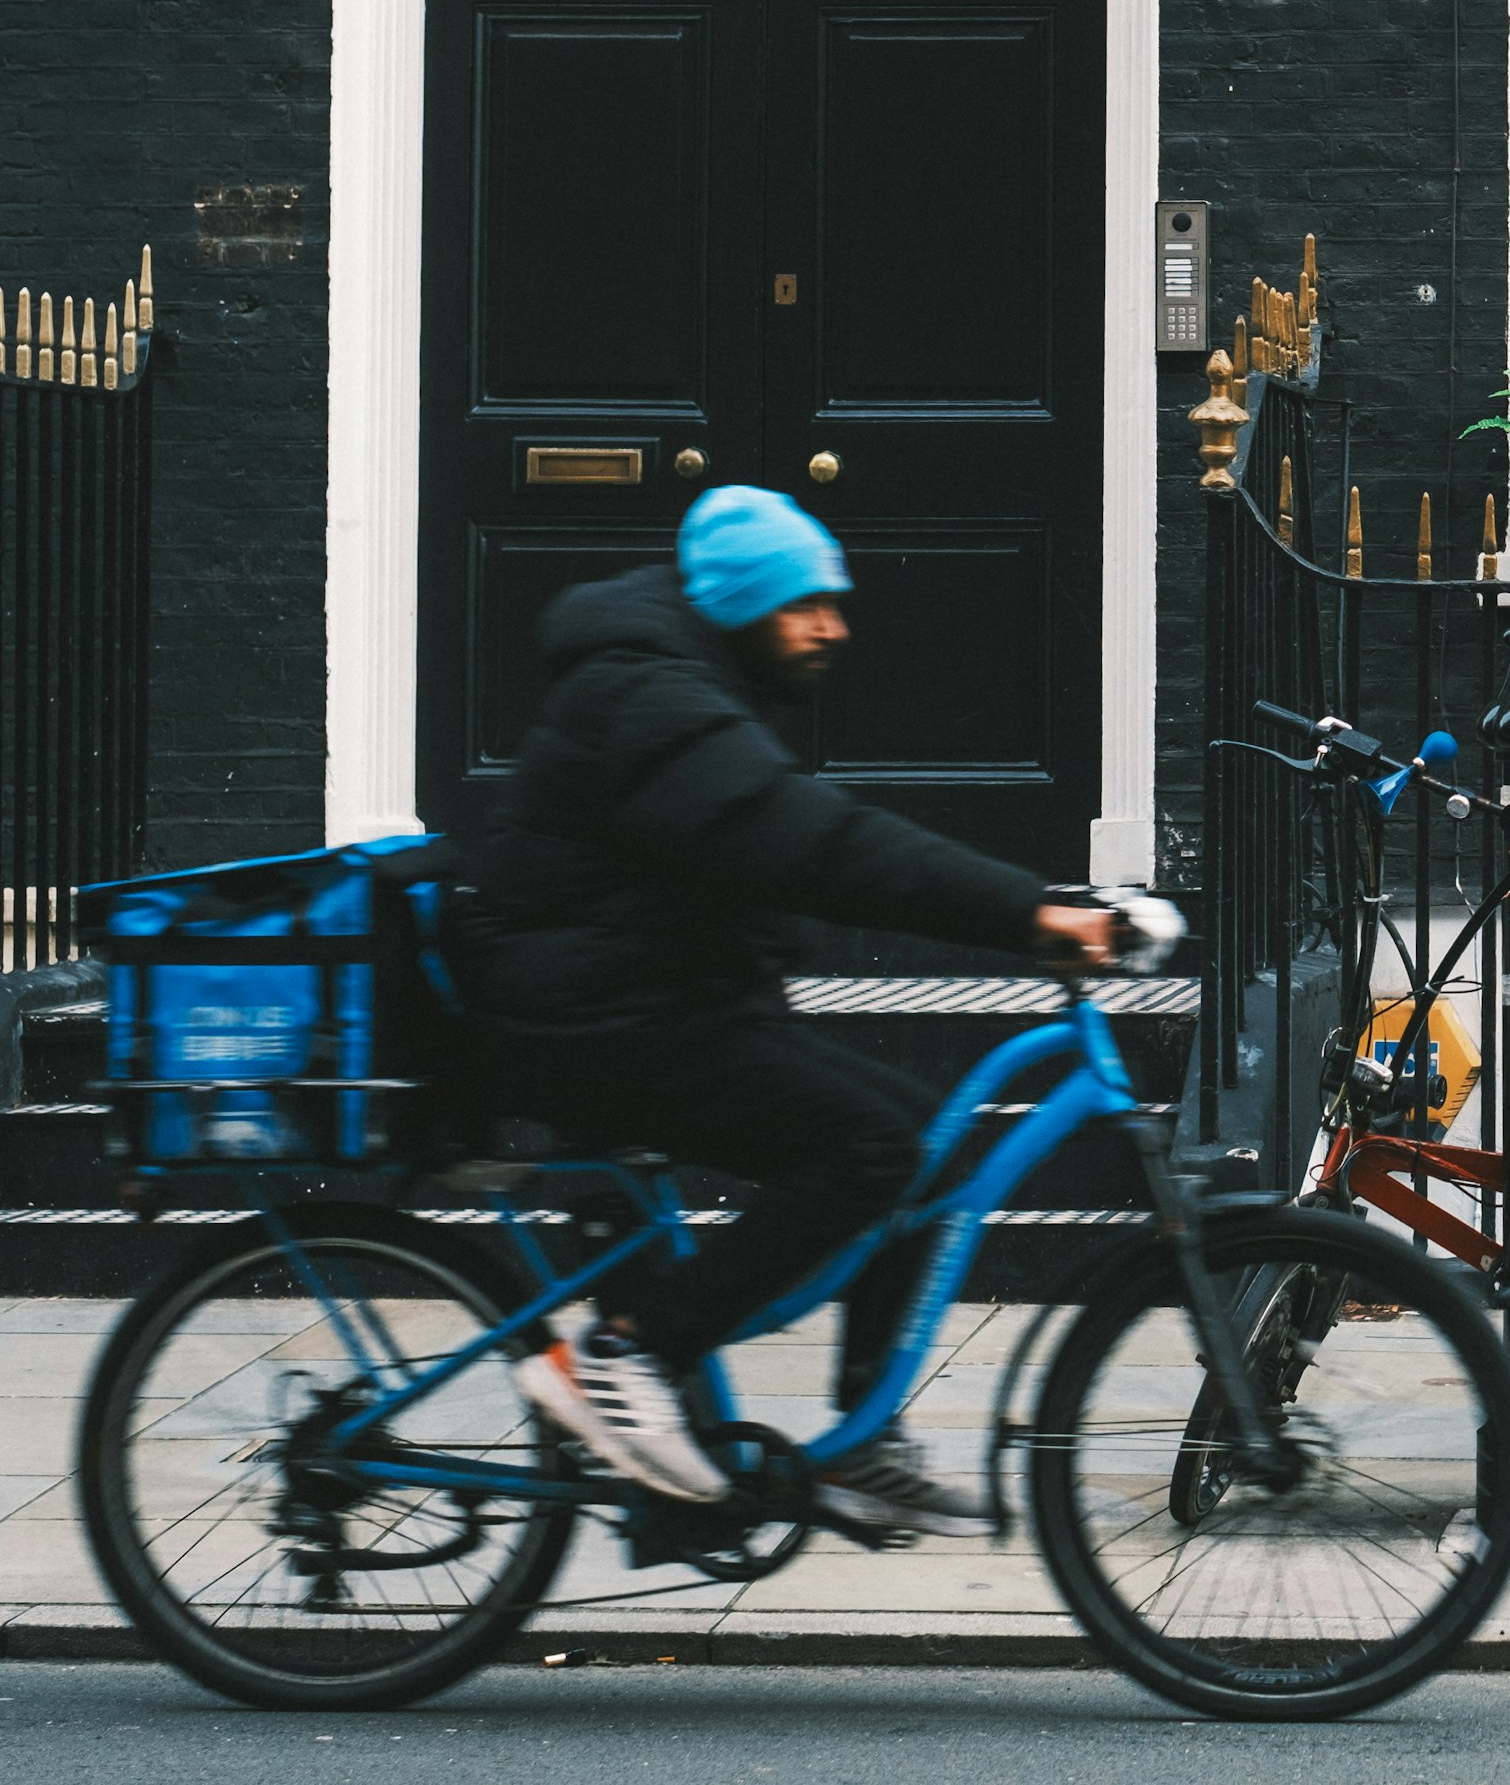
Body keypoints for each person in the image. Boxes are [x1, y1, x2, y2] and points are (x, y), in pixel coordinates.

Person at [455, 485, 1121, 1536]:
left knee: (922, 1145)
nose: (833, 626)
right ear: (743, 603)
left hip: (652, 997)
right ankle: (622, 1354)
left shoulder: (687, 676)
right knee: (865, 1147)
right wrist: (1031, 913)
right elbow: (816, 844)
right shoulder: (652, 697)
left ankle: (859, 1437)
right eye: (806, 604)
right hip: (585, 1018)